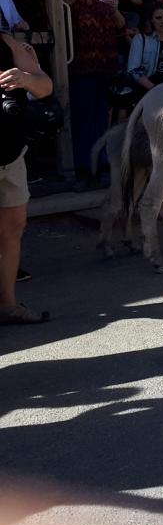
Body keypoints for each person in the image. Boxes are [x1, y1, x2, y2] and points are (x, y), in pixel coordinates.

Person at [0, 29, 54, 323]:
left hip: (11, 154)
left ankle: (7, 304)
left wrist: (25, 80)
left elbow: (45, 87)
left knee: (13, 228)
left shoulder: (7, 42)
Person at [64, 0, 124, 183]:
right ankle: (81, 163)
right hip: (81, 62)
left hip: (105, 61)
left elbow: (120, 25)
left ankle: (102, 160)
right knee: (82, 115)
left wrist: (115, 8)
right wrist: (63, 6)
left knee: (102, 115)